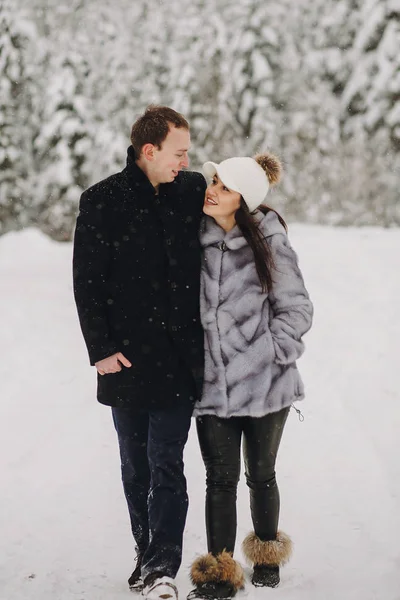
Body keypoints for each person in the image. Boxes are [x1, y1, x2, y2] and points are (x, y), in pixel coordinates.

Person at [72, 105, 207, 600]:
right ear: (149, 151)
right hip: (124, 360)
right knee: (136, 465)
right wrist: (100, 349)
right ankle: (144, 551)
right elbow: (87, 282)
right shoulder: (102, 201)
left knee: (167, 459)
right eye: (179, 152)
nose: (185, 161)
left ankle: (161, 568)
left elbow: (237, 194)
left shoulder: (191, 190)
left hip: (177, 358)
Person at [188, 154, 313, 599]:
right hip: (211, 386)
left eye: (224, 185)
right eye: (213, 180)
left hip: (265, 384)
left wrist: (269, 353)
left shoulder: (269, 240)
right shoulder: (193, 239)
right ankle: (220, 571)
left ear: (244, 199)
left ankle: (265, 555)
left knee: (261, 474)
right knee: (218, 479)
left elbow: (296, 309)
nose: (212, 189)